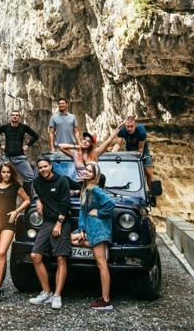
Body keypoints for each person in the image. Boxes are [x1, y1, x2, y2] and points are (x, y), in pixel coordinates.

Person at [71, 161, 115, 310]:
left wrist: (99, 212)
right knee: (69, 238)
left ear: (95, 175)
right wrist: (81, 229)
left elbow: (110, 203)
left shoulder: (94, 188)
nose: (86, 173)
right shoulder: (85, 189)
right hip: (89, 228)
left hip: (98, 227)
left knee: (101, 264)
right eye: (85, 170)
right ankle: (95, 245)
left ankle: (106, 300)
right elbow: (82, 212)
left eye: (89, 171)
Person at [28, 158, 72, 310]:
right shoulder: (37, 182)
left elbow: (66, 204)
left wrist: (59, 223)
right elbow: (38, 194)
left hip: (61, 221)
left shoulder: (62, 181)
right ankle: (46, 292)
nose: (43, 169)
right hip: (47, 222)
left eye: (45, 166)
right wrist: (38, 199)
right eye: (40, 167)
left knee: (60, 258)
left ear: (51, 166)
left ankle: (57, 295)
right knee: (35, 256)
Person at [0, 160, 30, 303]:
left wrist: (16, 212)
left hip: (8, 223)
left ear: (12, 173)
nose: (6, 174)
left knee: (2, 252)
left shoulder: (15, 186)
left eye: (8, 172)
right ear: (0, 173)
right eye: (3, 172)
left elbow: (27, 200)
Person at [0, 109, 39, 181]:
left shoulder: (23, 127)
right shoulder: (5, 127)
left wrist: (27, 145)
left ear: (19, 117)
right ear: (10, 117)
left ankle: (29, 192)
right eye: (13, 115)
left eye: (16, 115)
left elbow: (35, 136)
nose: (14, 116)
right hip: (7, 158)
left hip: (20, 158)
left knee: (31, 177)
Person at [112, 116, 158, 190]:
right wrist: (112, 155)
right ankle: (131, 188)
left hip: (142, 150)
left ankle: (152, 192)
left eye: (131, 126)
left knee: (148, 171)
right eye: (127, 127)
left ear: (135, 125)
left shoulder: (141, 131)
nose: (129, 129)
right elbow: (117, 145)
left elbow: (140, 149)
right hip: (129, 150)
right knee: (130, 171)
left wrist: (138, 160)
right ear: (125, 126)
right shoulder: (122, 130)